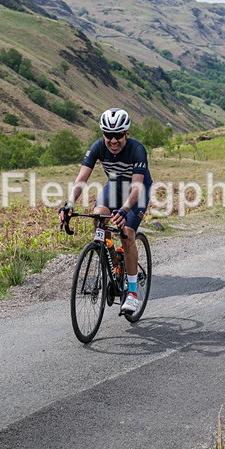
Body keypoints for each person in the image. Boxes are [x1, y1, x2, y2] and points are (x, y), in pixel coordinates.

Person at [59, 108, 152, 314]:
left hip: (138, 192)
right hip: (115, 187)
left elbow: (137, 187)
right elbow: (81, 179)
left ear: (127, 133)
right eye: (108, 135)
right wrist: (69, 204)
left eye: (118, 135)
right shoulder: (98, 147)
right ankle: (110, 255)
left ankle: (133, 293)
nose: (113, 140)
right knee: (98, 215)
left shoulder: (137, 150)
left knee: (127, 234)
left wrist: (125, 209)